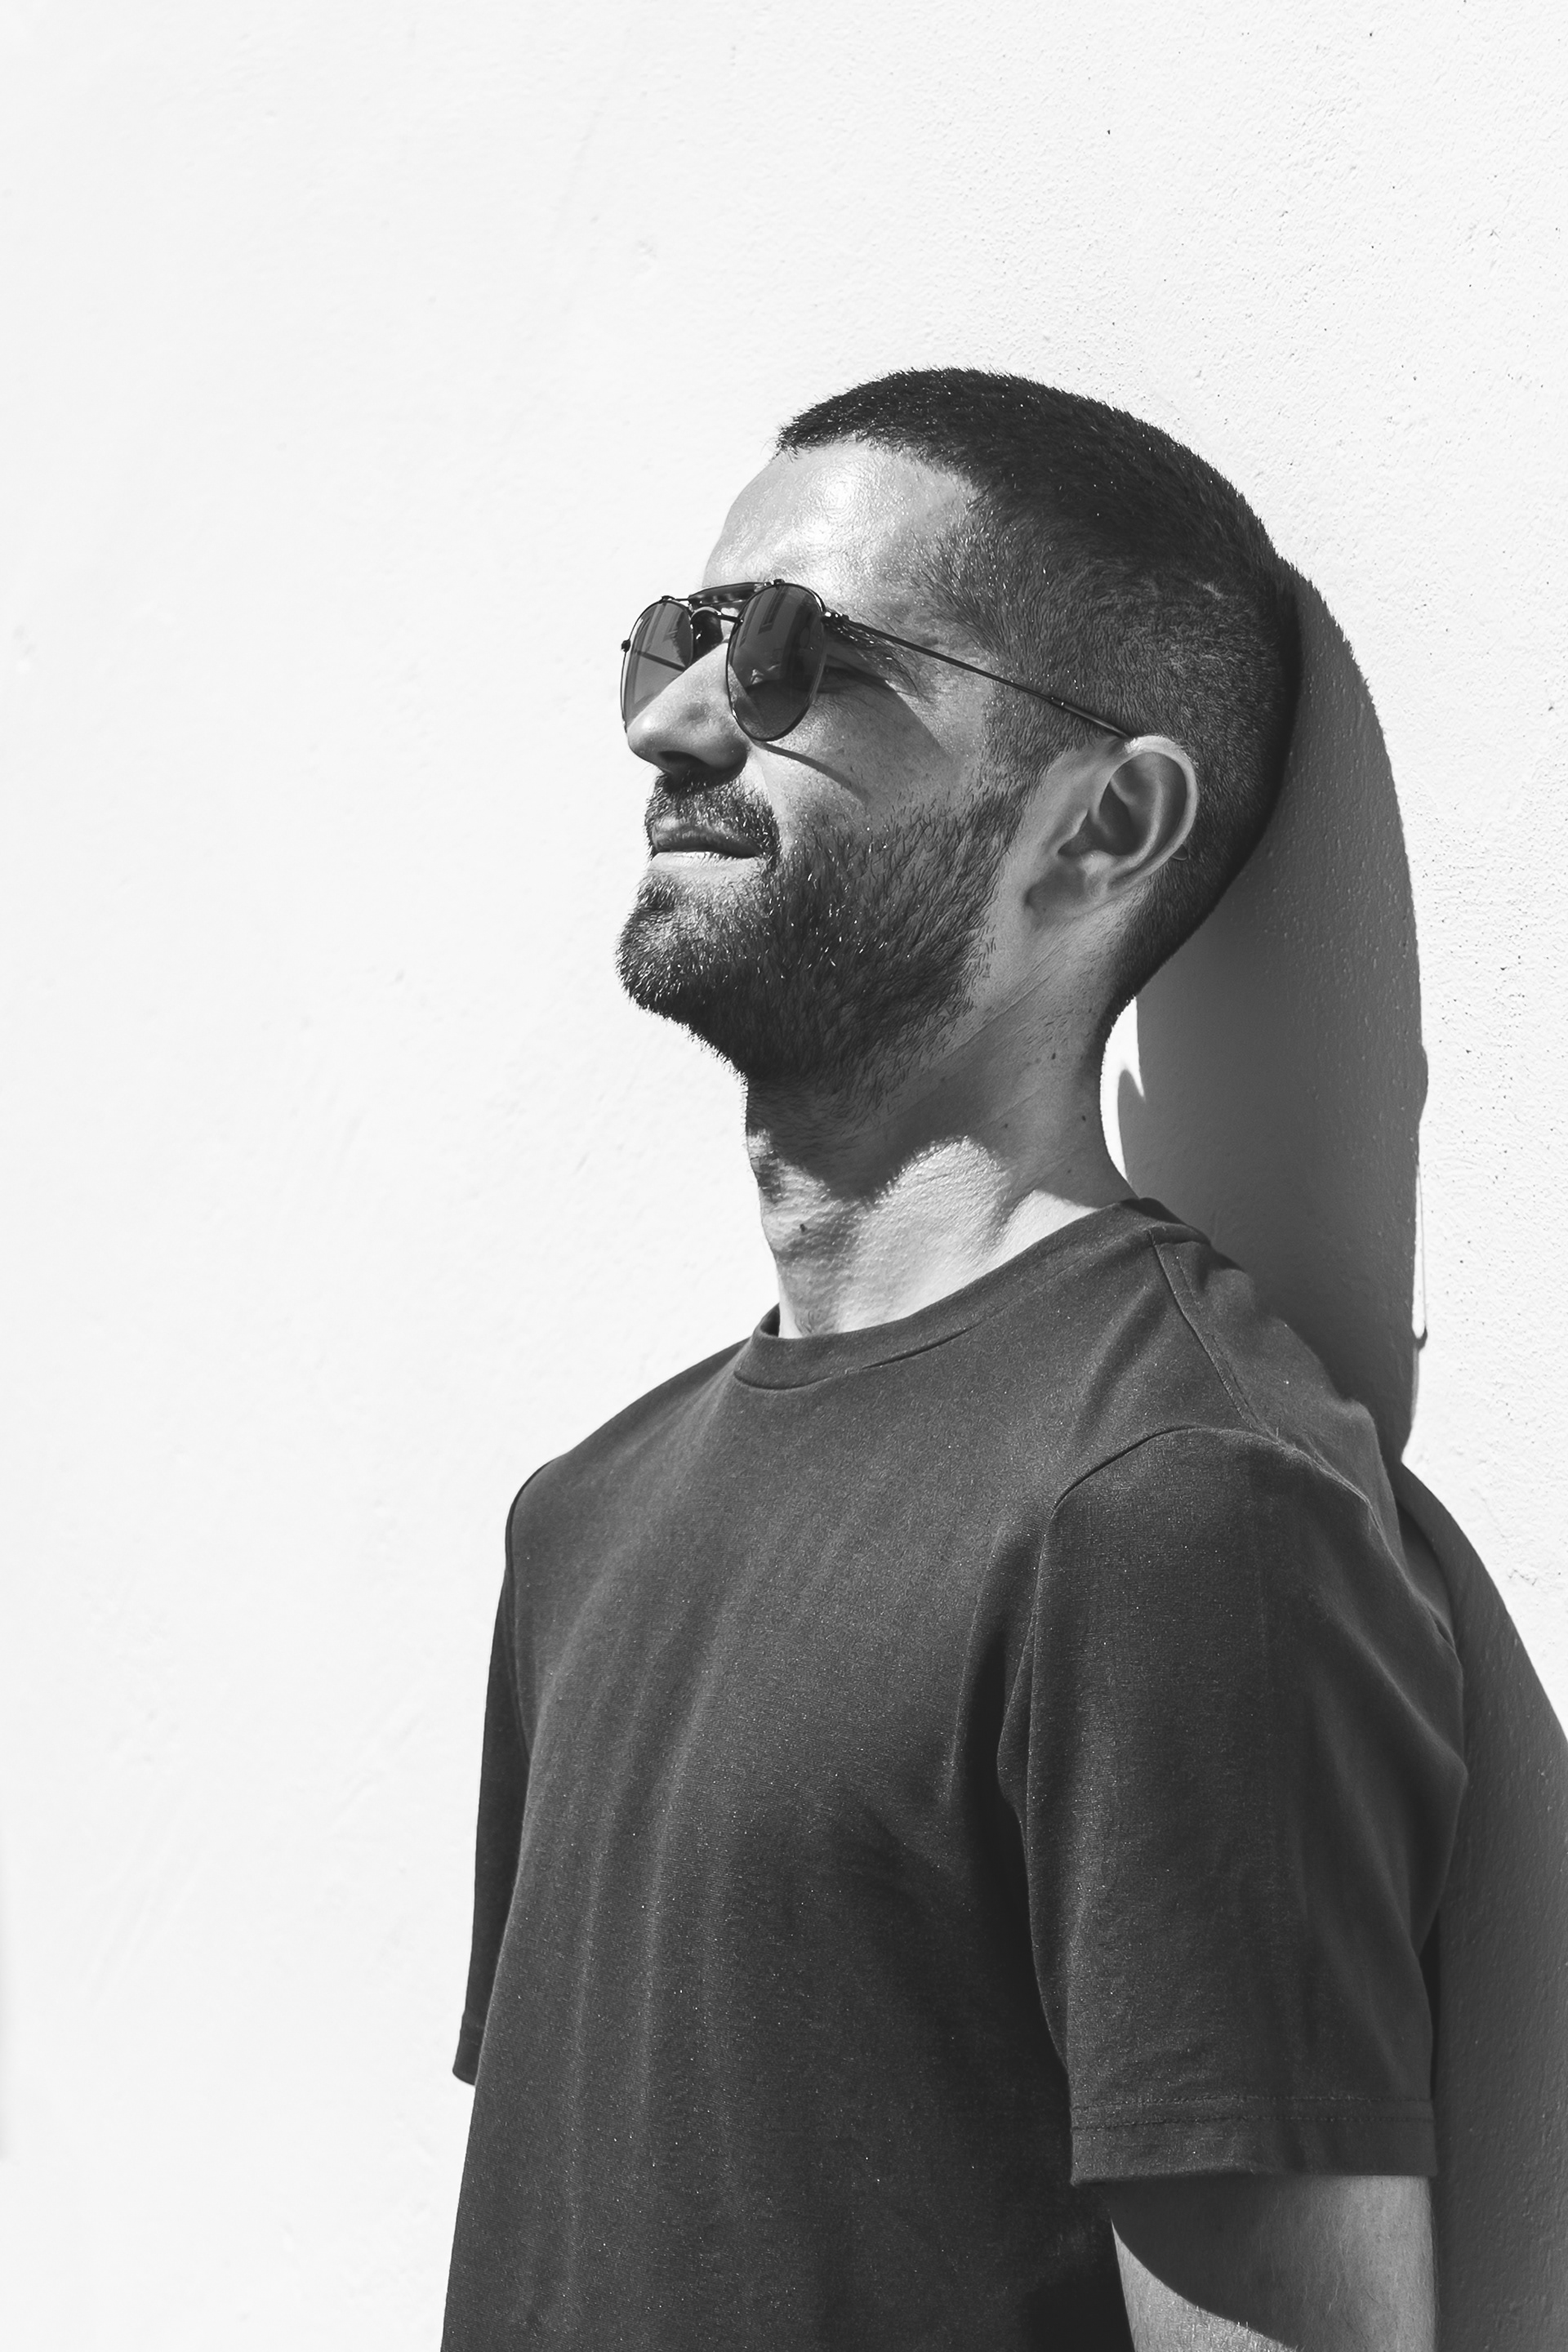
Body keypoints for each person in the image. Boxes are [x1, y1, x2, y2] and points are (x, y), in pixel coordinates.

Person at [440, 370, 1466, 2350]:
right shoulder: (582, 1521)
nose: (673, 722)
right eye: (674, 638)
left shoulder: (1182, 1505)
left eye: (786, 653)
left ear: (1105, 826)